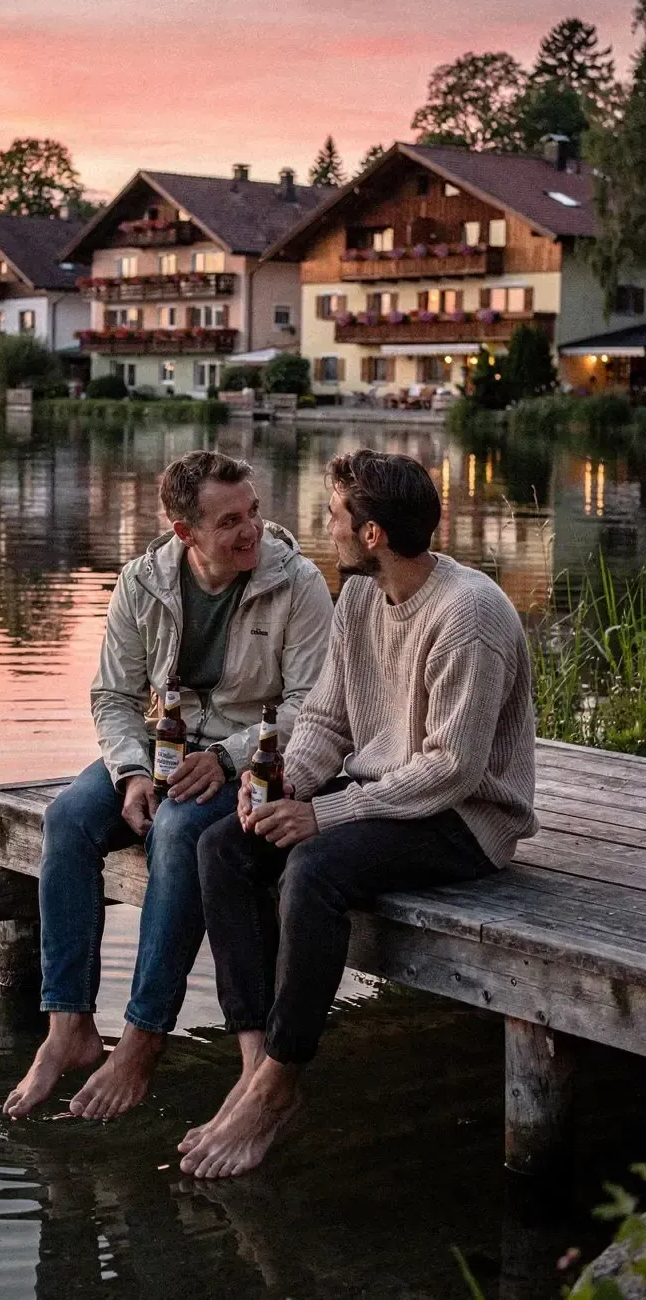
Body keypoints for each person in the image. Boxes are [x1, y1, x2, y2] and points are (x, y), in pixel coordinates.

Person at [180, 448, 537, 1178]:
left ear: (372, 533)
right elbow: (328, 720)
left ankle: (280, 1088)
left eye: (337, 516)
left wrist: (327, 815)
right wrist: (275, 783)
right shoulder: (360, 599)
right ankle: (254, 1067)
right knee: (225, 845)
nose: (326, 528)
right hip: (390, 799)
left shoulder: (468, 615)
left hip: (466, 820)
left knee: (311, 868)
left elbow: (452, 767)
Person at [4, 450, 333, 1121]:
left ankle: (144, 1037)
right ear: (186, 532)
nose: (253, 531)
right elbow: (114, 696)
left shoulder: (297, 582)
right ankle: (68, 1026)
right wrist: (128, 774)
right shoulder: (141, 581)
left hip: (247, 762)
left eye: (255, 512)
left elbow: (312, 703)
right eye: (231, 521)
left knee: (181, 831)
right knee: (67, 817)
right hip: (155, 750)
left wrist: (228, 755)